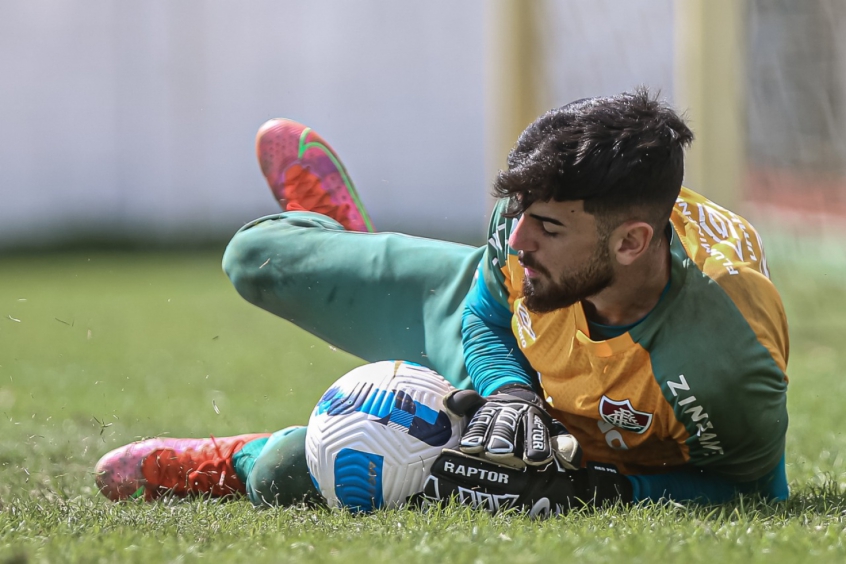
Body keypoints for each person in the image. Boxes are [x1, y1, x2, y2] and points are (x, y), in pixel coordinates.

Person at [94, 89, 789, 512]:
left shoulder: (724, 351)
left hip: (595, 450)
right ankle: (339, 230)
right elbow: (487, 314)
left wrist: (605, 490)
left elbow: (755, 493)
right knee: (253, 258)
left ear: (632, 244)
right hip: (506, 339)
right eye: (516, 213)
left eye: (545, 226)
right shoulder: (527, 239)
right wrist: (510, 394)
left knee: (289, 471)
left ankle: (232, 458)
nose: (516, 237)